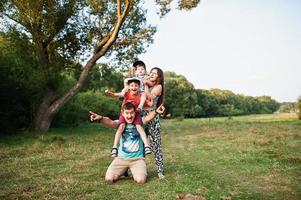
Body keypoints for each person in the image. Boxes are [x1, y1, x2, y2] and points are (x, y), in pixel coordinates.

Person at [90, 102, 165, 184]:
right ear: (123, 113)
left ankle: (134, 170)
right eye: (127, 113)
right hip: (121, 159)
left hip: (137, 159)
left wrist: (156, 111)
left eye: (131, 113)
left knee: (141, 180)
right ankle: (123, 169)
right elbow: (110, 122)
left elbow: (148, 117)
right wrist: (100, 118)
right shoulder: (120, 123)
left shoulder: (140, 122)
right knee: (109, 178)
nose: (129, 116)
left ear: (135, 112)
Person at [105, 78, 152, 157]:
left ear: (139, 87)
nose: (134, 88)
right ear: (129, 87)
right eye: (132, 86)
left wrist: (141, 106)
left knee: (139, 128)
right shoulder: (126, 93)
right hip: (125, 114)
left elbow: (147, 103)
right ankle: (115, 147)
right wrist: (111, 94)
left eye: (136, 86)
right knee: (121, 127)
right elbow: (118, 94)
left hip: (136, 113)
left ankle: (147, 146)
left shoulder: (141, 95)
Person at [142, 67, 165, 179]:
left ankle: (160, 170)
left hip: (153, 117)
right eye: (151, 72)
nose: (151, 74)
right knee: (139, 143)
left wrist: (145, 84)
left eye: (154, 73)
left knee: (156, 144)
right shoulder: (144, 83)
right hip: (141, 116)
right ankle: (130, 168)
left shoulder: (158, 87)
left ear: (159, 77)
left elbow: (149, 97)